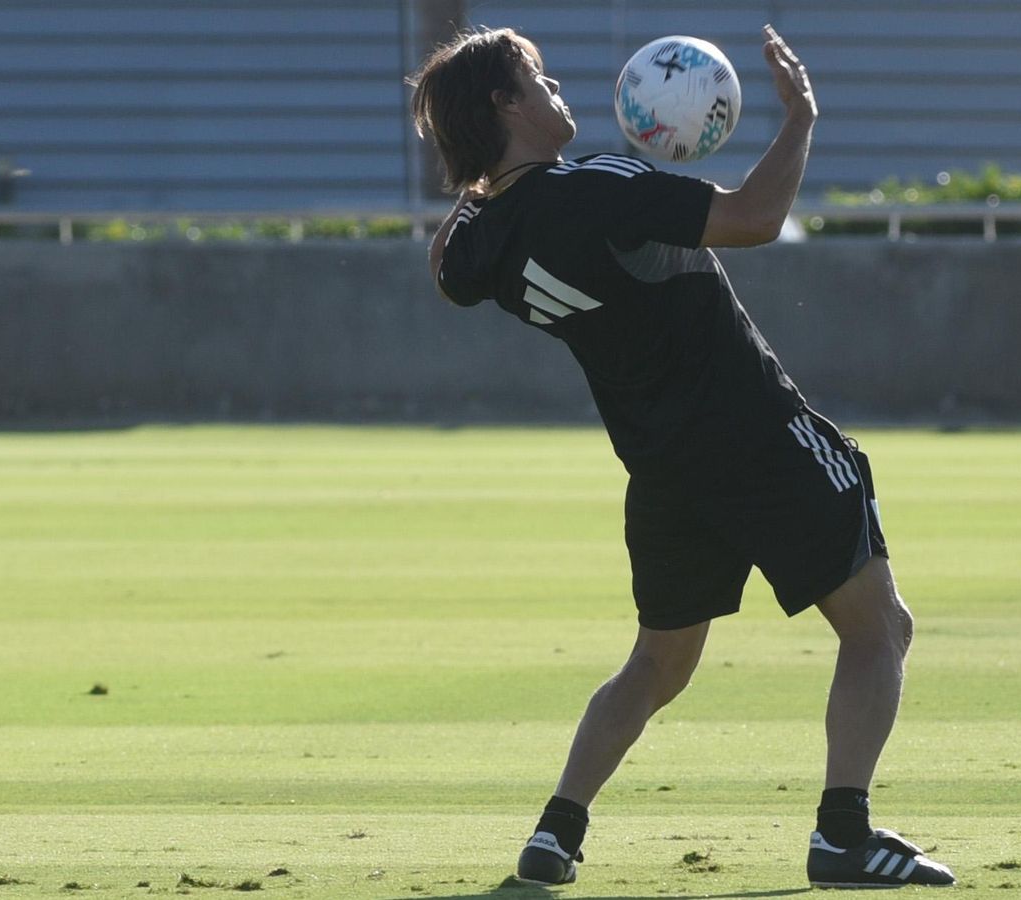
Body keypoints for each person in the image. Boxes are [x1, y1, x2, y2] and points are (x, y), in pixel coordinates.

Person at [408, 24, 955, 890]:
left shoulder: (484, 238)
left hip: (664, 473)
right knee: (880, 627)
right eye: (538, 79)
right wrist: (801, 119)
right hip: (758, 438)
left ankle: (556, 832)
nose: (556, 90)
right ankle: (843, 839)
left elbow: (446, 271)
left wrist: (477, 178)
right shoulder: (596, 186)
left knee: (657, 665)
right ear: (504, 104)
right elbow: (755, 218)